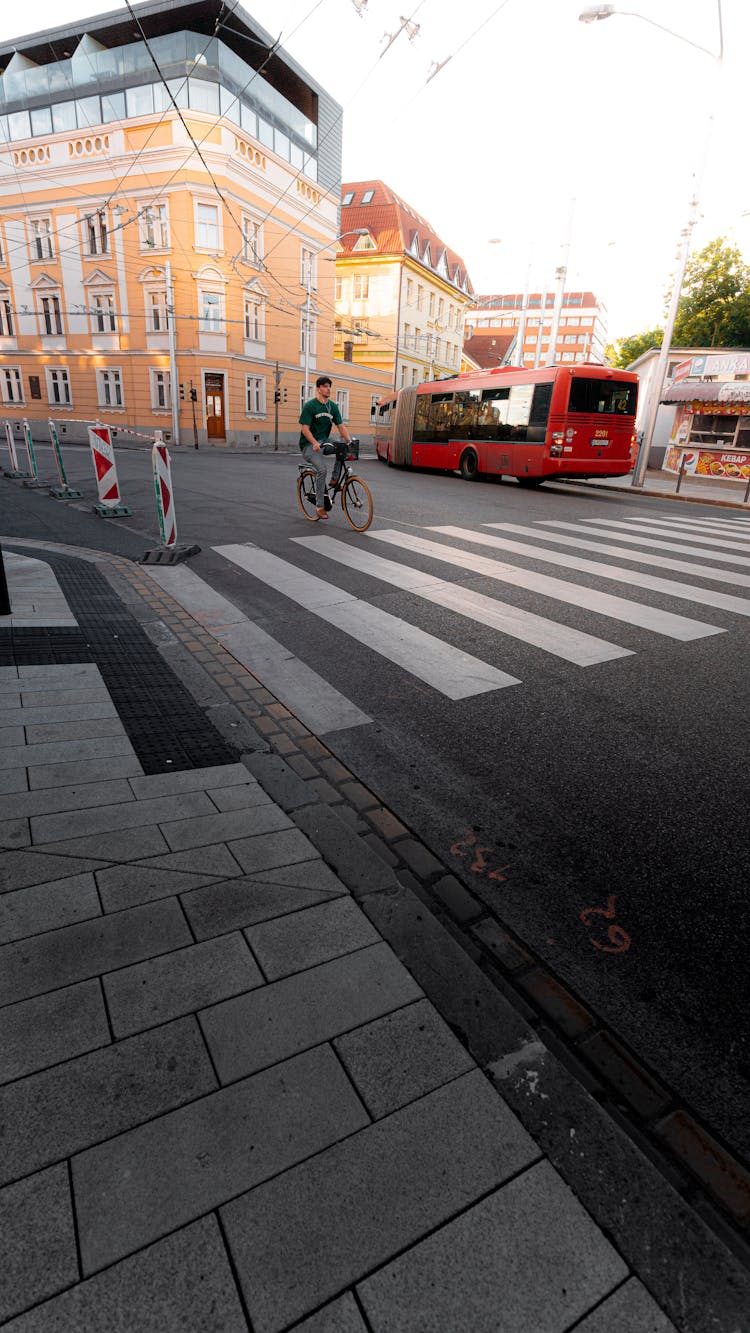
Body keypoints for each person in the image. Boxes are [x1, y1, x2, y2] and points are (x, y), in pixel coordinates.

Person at [298, 375, 353, 519]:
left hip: (324, 441)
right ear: (318, 389)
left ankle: (334, 480)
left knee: (342, 448)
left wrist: (349, 441)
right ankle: (319, 506)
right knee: (322, 469)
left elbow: (340, 426)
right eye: (325, 386)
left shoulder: (332, 406)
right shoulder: (310, 406)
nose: (328, 389)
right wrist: (314, 442)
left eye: (329, 386)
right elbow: (305, 428)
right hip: (309, 445)